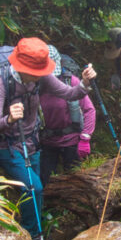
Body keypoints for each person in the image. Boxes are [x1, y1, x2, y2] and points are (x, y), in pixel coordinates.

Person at [0, 37, 97, 240]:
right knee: (32, 187)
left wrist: (85, 82)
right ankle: (32, 238)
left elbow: (70, 93)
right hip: (6, 145)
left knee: (38, 188)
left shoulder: (40, 77)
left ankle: (40, 232)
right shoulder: (3, 81)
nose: (41, 75)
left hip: (32, 142)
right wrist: (9, 119)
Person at [38, 45, 96, 184]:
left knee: (76, 180)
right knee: (45, 181)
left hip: (72, 140)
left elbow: (89, 110)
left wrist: (85, 138)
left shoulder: (71, 81)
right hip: (46, 141)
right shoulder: (35, 84)